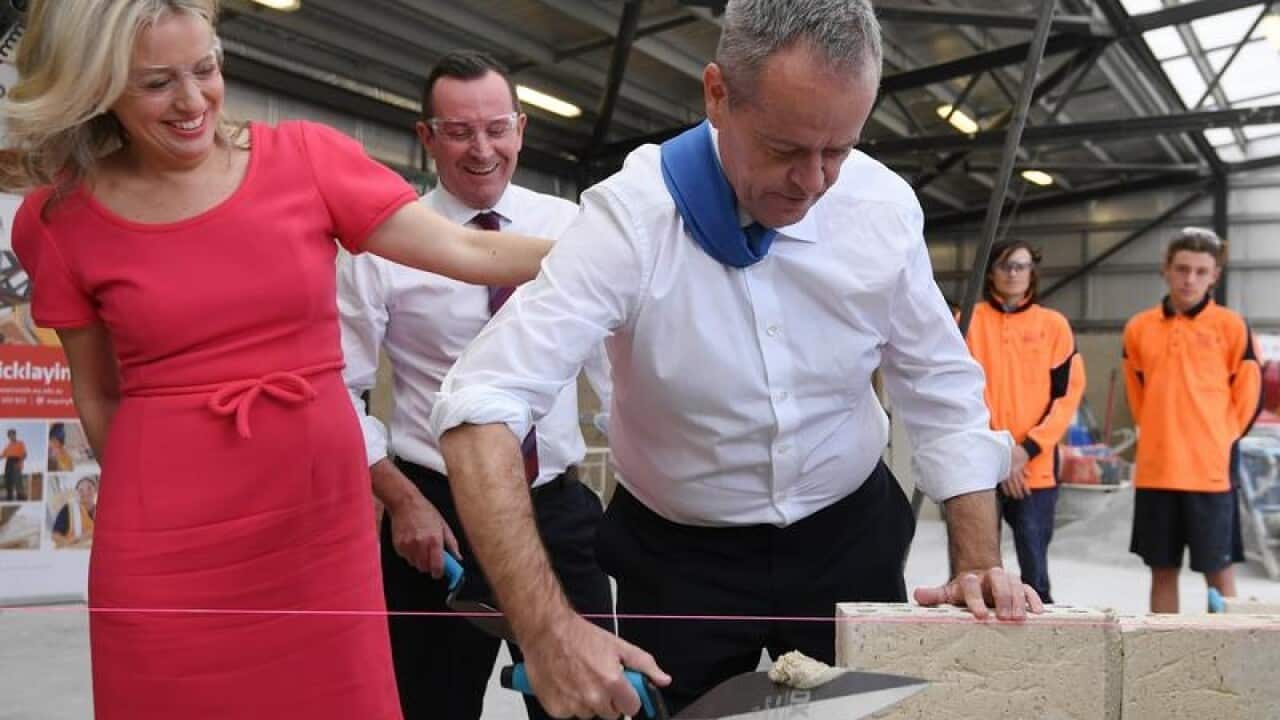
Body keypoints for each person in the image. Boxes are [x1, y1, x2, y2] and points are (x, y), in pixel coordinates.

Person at [430, 1, 1042, 716]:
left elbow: (937, 383)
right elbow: (479, 409)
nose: (813, 181)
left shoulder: (881, 207)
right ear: (716, 93)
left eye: (838, 150)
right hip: (680, 557)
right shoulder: (630, 221)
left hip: (847, 533)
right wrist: (549, 630)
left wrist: (976, 562)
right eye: (785, 149)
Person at [1, 2, 552, 718]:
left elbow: (469, 251)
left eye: (206, 69)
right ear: (98, 85)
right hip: (163, 536)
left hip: (314, 520)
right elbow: (97, 395)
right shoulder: (58, 218)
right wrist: (163, 484)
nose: (194, 100)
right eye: (157, 83)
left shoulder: (306, 159)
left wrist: (625, 256)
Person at [339, 50, 612, 720]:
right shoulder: (382, 241)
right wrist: (401, 501)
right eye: (459, 132)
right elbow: (338, 388)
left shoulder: (574, 229)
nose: (482, 149)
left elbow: (617, 376)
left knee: (590, 701)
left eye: (497, 129)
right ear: (427, 136)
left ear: (521, 129)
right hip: (435, 520)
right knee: (428, 706)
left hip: (555, 512)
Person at [1123, 227, 1261, 614]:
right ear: (1166, 269)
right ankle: (1162, 653)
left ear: (1215, 274)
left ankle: (1232, 655)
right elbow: (1138, 395)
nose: (1190, 279)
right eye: (1182, 269)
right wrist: (1157, 434)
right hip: (1157, 471)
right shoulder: (1138, 328)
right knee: (1161, 571)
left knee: (1219, 571)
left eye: (1201, 271)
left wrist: (1218, 442)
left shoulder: (1232, 327)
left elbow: (1248, 398)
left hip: (1210, 473)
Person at [964, 240, 1085, 605]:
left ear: (1032, 271)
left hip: (1035, 468)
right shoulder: (968, 321)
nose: (1013, 273)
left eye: (1020, 266)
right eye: (1005, 266)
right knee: (975, 568)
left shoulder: (1054, 326)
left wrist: (1025, 450)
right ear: (990, 272)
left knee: (1036, 570)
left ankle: (1043, 634)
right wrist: (1002, 454)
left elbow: (1067, 396)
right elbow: (958, 392)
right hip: (981, 467)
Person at [51, 475, 97, 548]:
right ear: (77, 493)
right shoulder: (68, 509)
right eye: (81, 490)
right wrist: (71, 544)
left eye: (89, 488)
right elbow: (55, 535)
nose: (85, 492)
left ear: (95, 491)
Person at [1, 429, 26, 501]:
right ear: (8, 437)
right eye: (9, 435)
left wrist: (19, 462)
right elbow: (2, 455)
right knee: (8, 481)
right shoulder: (8, 446)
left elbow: (24, 454)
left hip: (16, 461)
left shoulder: (20, 443)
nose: (11, 436)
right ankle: (9, 497)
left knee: (18, 482)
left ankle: (21, 498)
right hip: (8, 463)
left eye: (12, 434)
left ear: (15, 435)